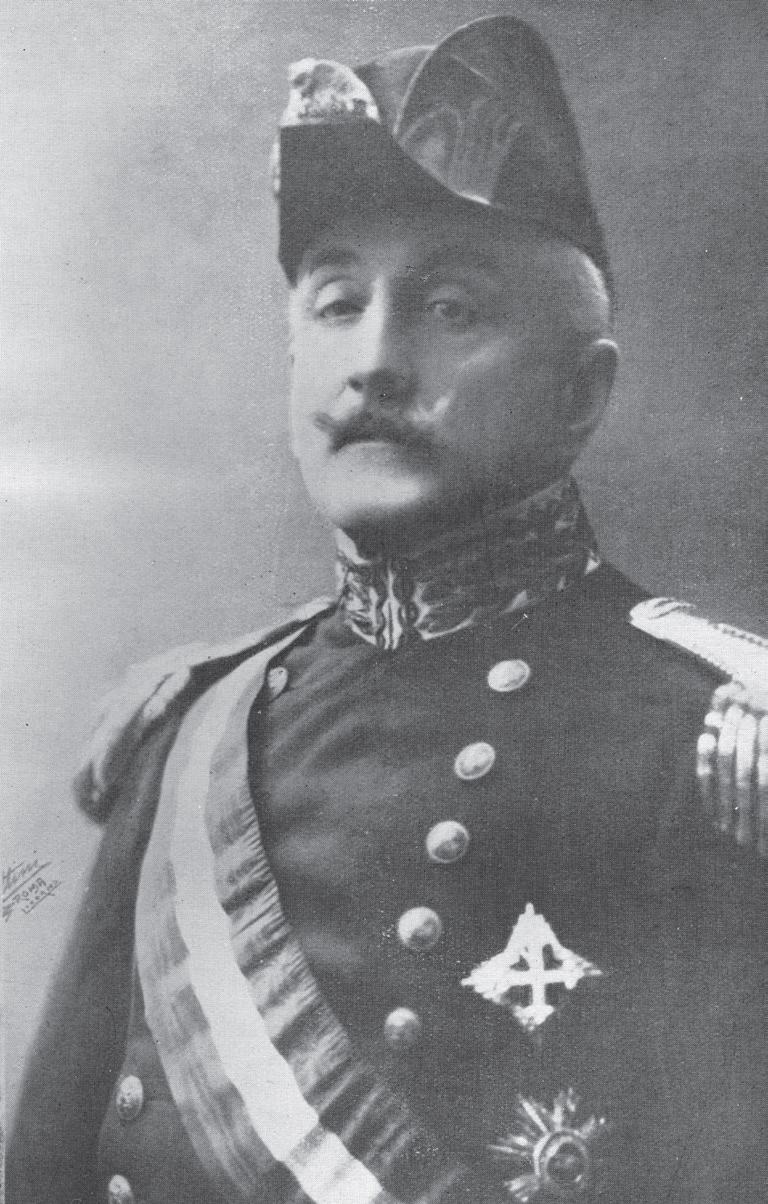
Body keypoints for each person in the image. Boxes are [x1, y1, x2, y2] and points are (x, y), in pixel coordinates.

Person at [8, 15, 767, 1204]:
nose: (375, 361)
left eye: (451, 309)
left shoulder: (701, 736)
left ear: (581, 394)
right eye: (335, 302)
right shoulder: (193, 730)